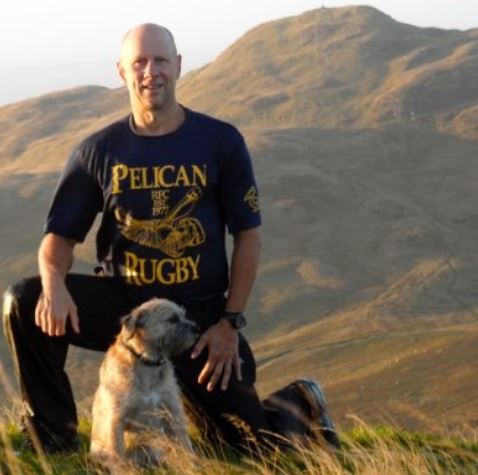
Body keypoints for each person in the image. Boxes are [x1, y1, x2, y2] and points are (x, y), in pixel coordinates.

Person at [2, 23, 340, 455]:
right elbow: (59, 240)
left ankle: (301, 400)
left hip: (196, 319)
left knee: (248, 448)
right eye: (139, 62)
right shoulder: (98, 150)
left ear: (178, 66)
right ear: (122, 71)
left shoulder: (220, 141)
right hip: (127, 312)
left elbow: (248, 237)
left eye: (160, 61)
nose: (150, 72)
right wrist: (54, 286)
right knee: (24, 300)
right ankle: (52, 434)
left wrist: (229, 324)